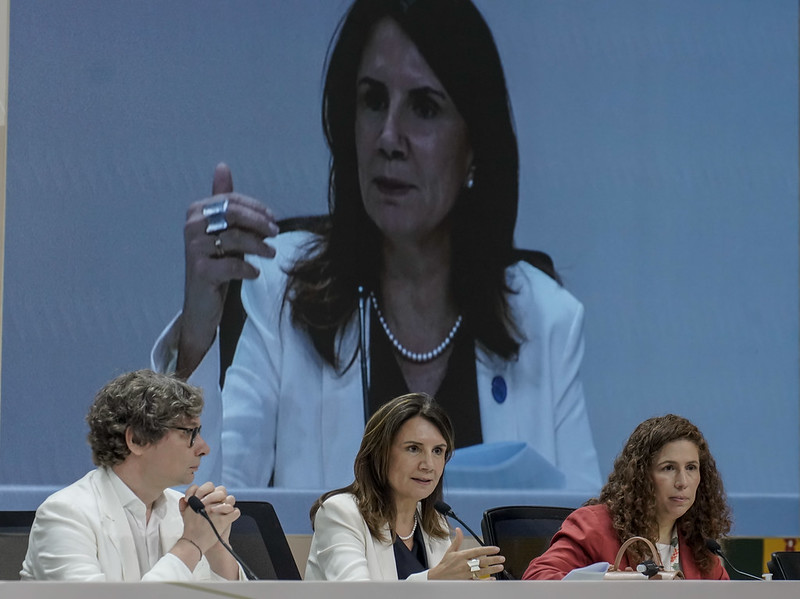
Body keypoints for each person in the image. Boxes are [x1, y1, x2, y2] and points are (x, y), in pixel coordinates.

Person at [152, 0, 601, 490]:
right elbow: (201, 519)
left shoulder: (546, 320)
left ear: (475, 144)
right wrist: (197, 337)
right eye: (372, 101)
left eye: (424, 108)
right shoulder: (277, 290)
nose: (389, 137)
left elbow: (587, 554)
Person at [20, 370, 243, 582]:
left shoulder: (186, 512)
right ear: (136, 440)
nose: (204, 448)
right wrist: (191, 544)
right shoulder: (66, 515)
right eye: (190, 433)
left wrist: (216, 545)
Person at [305, 392, 505, 580]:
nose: (428, 465)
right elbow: (356, 594)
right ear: (379, 453)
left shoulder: (436, 524)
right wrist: (433, 580)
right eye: (413, 448)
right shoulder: (340, 513)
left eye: (437, 451)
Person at [522, 414, 732, 580]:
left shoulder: (701, 549)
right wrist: (607, 585)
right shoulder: (593, 527)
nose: (682, 481)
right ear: (641, 475)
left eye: (691, 468)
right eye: (668, 468)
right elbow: (538, 579)